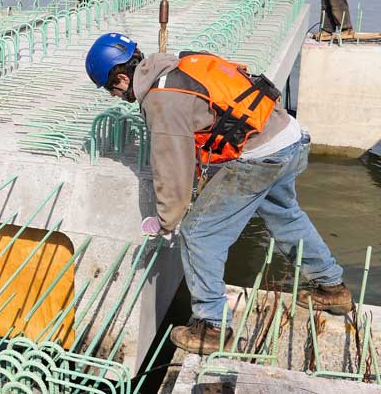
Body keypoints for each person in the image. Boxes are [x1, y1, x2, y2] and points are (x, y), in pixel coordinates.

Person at [85, 33, 352, 355]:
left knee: (199, 234)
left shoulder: (161, 101)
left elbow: (172, 170)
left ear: (123, 77)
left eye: (111, 90)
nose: (116, 97)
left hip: (260, 155)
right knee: (285, 216)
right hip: (289, 138)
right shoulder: (182, 63)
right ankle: (332, 286)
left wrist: (169, 221)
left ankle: (212, 327)